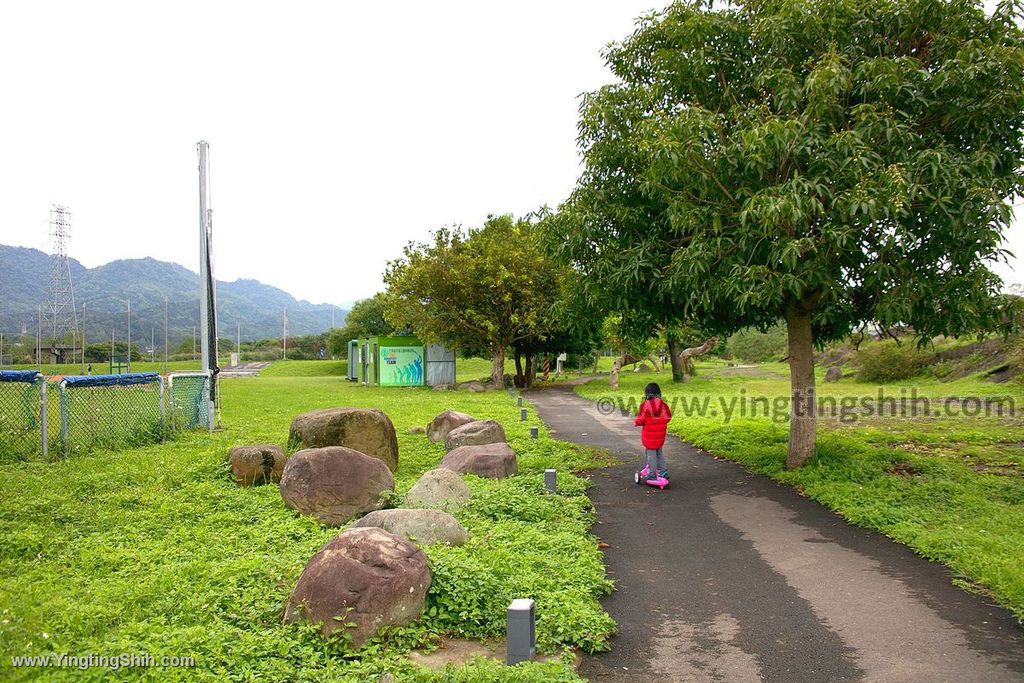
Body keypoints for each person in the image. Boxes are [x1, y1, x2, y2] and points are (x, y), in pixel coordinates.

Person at [634, 382, 672, 481]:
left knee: (651, 454)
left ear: (647, 394)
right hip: (660, 435)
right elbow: (668, 418)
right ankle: (663, 471)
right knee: (659, 452)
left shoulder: (645, 405)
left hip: (649, 436)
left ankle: (652, 474)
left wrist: (636, 422)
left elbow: (641, 419)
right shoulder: (664, 405)